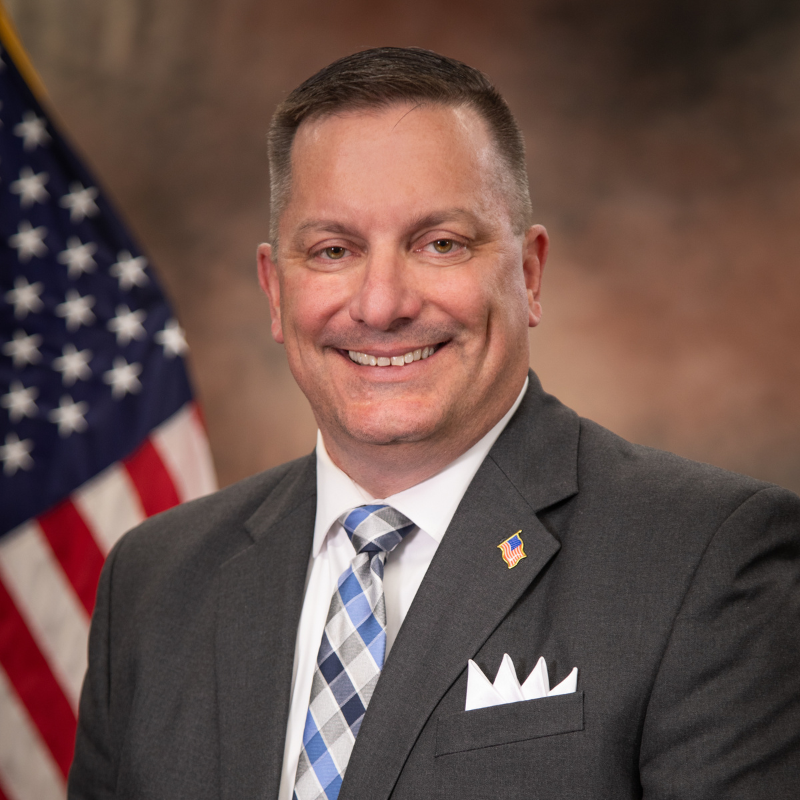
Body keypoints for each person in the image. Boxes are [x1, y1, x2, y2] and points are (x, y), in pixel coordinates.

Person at [68, 47, 800, 800]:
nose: (382, 303)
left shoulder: (707, 559)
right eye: (332, 251)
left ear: (529, 273)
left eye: (440, 243)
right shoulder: (154, 583)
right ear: (275, 291)